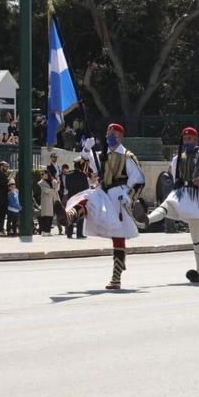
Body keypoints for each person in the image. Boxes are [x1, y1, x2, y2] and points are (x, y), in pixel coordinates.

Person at [66, 123, 145, 290]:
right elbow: (86, 168)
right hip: (103, 191)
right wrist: (86, 151)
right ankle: (69, 216)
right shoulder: (102, 155)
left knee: (118, 236)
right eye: (108, 133)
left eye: (114, 134)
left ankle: (116, 276)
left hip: (119, 195)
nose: (110, 137)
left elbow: (138, 179)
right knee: (88, 199)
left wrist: (129, 196)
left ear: (121, 137)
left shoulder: (127, 157)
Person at [145, 125, 199, 284]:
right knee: (166, 205)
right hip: (182, 192)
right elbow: (176, 175)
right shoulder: (178, 158)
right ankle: (146, 220)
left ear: (196, 140)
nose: (187, 141)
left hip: (196, 197)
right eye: (185, 138)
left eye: (190, 138)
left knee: (196, 239)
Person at [64, 160, 90, 239]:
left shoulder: (68, 175)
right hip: (80, 198)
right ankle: (79, 234)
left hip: (71, 197)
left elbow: (67, 186)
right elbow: (86, 188)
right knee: (80, 214)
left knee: (70, 214)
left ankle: (69, 233)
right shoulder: (83, 175)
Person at [37, 170, 59, 235]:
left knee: (51, 216)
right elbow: (46, 190)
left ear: (47, 174)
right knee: (45, 216)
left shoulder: (53, 181)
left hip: (53, 200)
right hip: (46, 201)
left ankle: (48, 231)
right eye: (41, 174)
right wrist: (54, 190)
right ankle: (44, 231)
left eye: (43, 174)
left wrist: (57, 183)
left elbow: (57, 188)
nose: (42, 175)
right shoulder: (40, 182)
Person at [0, 162, 10, 236]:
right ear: (1, 167)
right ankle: (0, 229)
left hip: (3, 197)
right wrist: (9, 179)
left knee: (2, 214)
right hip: (1, 198)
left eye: (7, 166)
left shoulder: (2, 174)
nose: (7, 168)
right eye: (5, 166)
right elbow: (4, 184)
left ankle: (0, 229)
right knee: (1, 214)